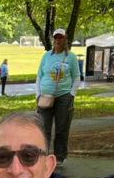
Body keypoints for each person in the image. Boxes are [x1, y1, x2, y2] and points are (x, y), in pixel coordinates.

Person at [35, 28, 81, 163]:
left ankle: (60, 157)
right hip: (45, 96)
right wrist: (38, 94)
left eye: (60, 38)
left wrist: (71, 94)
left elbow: (77, 77)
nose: (58, 41)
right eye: (56, 38)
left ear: (65, 39)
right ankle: (42, 156)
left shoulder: (71, 57)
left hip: (63, 97)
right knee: (44, 128)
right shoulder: (47, 56)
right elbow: (39, 76)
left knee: (62, 128)